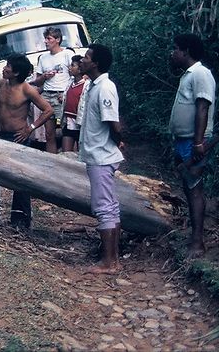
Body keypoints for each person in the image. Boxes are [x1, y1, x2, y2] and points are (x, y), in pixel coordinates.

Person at [0, 54, 53, 230]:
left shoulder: (27, 90)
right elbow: (0, 108)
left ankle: (20, 220)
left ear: (17, 72)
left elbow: (48, 110)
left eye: (9, 66)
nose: (4, 68)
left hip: (18, 139)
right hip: (0, 136)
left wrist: (30, 128)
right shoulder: (2, 83)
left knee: (20, 180)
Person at [77, 43, 125, 273]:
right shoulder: (94, 86)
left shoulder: (105, 87)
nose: (82, 60)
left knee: (104, 208)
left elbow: (112, 122)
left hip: (101, 156)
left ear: (95, 63)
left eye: (86, 57)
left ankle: (108, 262)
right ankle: (112, 259)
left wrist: (118, 140)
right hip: (99, 153)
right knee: (110, 207)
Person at [168, 33, 217, 258]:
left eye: (176, 49)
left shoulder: (200, 73)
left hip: (193, 141)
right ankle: (193, 236)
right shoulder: (188, 75)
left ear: (186, 51)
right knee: (188, 187)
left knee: (195, 188)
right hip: (183, 140)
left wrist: (198, 142)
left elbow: (202, 108)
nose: (173, 53)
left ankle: (197, 242)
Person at [31, 27, 75, 153]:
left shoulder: (67, 54)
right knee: (49, 134)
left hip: (61, 96)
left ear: (57, 39)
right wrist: (44, 76)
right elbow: (38, 81)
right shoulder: (43, 58)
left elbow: (77, 75)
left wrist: (67, 94)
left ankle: (71, 159)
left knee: (67, 131)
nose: (45, 41)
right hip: (46, 97)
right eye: (45, 38)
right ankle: (52, 161)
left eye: (48, 38)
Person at [61, 54, 88, 154]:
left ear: (80, 69)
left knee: (82, 154)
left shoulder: (86, 85)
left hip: (80, 123)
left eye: (73, 65)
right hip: (68, 121)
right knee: (66, 154)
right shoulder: (70, 83)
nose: (70, 68)